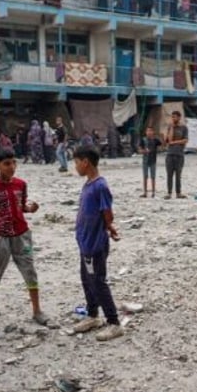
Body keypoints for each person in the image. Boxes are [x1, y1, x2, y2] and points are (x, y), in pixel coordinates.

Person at [0, 148, 49, 325]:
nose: (11, 167)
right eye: (6, 164)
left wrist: (30, 209)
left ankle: (37, 310)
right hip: (2, 236)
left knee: (29, 270)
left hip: (22, 234)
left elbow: (21, 206)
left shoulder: (21, 184)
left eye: (13, 162)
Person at [69, 145, 123, 341]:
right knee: (86, 279)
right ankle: (93, 315)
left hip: (95, 244)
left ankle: (114, 322)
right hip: (85, 242)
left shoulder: (100, 186)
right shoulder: (88, 184)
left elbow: (107, 212)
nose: (75, 167)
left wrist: (110, 227)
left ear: (86, 162)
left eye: (76, 162)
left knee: (98, 281)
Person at [164, 111, 188, 199]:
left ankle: (178, 193)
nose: (173, 118)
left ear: (179, 117)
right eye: (172, 117)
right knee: (169, 174)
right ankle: (169, 193)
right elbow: (168, 140)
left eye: (175, 117)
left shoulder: (184, 128)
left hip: (179, 154)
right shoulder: (170, 127)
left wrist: (175, 142)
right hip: (170, 154)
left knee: (178, 175)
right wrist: (172, 128)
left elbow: (185, 140)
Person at [138, 125, 162, 197]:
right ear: (146, 132)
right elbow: (139, 150)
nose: (149, 132)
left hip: (153, 161)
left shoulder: (155, 140)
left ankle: (153, 192)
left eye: (150, 131)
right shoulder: (143, 140)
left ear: (153, 132)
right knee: (145, 177)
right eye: (148, 131)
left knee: (153, 177)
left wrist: (162, 136)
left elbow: (162, 145)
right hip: (145, 161)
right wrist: (144, 151)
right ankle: (145, 192)